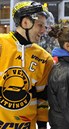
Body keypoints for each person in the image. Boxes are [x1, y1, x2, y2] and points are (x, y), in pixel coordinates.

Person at [0, 1, 54, 129]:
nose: (43, 31)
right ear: (25, 23)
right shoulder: (1, 44)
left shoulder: (45, 58)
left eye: (44, 26)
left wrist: (42, 126)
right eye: (40, 25)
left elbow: (42, 98)